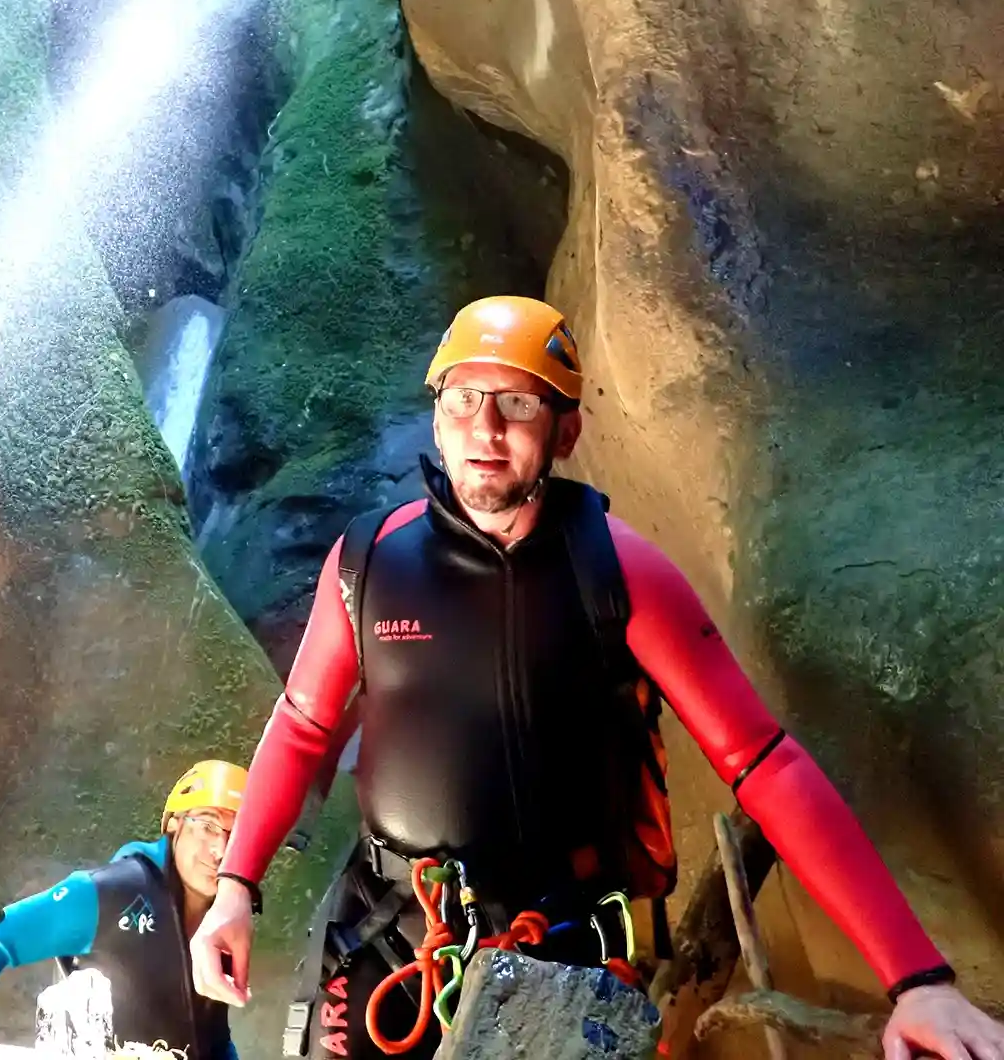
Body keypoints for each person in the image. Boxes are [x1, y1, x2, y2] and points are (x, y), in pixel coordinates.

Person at [189, 296, 1004, 1060]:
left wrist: (916, 978)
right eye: (464, 400)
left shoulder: (618, 572)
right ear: (437, 419)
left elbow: (765, 762)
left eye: (518, 405)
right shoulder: (365, 564)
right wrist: (235, 889)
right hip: (387, 939)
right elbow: (301, 727)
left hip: (561, 946)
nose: (486, 430)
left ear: (566, 429)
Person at [0, 759, 248, 1059]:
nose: (221, 850)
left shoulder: (223, 920)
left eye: (236, 837)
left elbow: (213, 1041)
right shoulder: (113, 891)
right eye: (207, 826)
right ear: (173, 824)